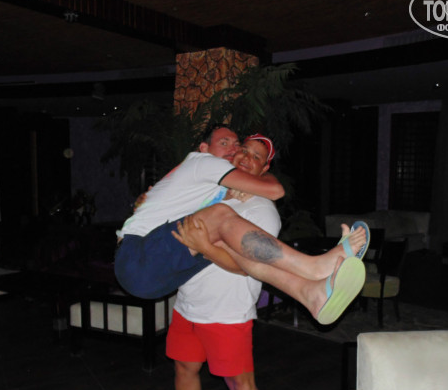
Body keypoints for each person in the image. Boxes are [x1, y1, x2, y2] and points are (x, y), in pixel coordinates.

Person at [115, 126, 368, 325]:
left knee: (231, 241)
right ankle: (314, 266)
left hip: (155, 280)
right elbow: (275, 189)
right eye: (224, 143)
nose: (234, 150)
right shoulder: (202, 162)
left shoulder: (216, 190)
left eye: (236, 145)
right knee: (219, 216)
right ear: (204, 148)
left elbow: (246, 262)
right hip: (137, 256)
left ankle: (310, 294)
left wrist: (207, 246)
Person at [155, 135, 280, 390]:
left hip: (227, 312)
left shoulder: (263, 210)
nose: (246, 158)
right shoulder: (210, 191)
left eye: (256, 157)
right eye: (244, 151)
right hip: (187, 303)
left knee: (242, 387)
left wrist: (206, 246)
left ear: (265, 169)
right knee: (184, 369)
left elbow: (248, 265)